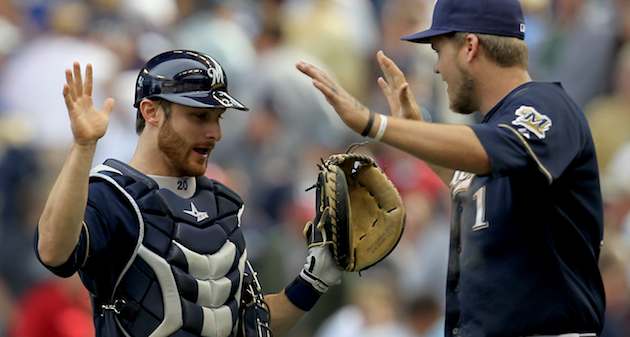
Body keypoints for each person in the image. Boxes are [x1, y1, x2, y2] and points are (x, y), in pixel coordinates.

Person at [297, 0, 606, 336]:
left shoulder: (546, 105)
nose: (437, 68)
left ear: (470, 47)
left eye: (438, 50)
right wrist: (413, 131)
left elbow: (490, 152)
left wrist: (374, 123)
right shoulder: (499, 135)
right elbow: (474, 179)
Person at [35, 50, 343, 337]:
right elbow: (54, 253)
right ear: (151, 111)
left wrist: (312, 281)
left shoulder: (223, 204)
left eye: (217, 118)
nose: (215, 133)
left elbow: (247, 322)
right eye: (199, 117)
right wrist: (84, 146)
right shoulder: (113, 195)